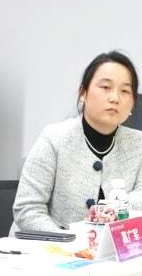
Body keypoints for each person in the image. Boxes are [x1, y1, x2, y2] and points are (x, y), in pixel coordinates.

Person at [12, 50, 142, 232]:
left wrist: (115, 207)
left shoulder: (138, 144)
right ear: (83, 93)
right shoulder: (54, 138)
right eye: (105, 87)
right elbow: (27, 209)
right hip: (47, 245)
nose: (115, 98)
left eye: (125, 91)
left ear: (133, 102)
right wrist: (67, 242)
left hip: (113, 248)